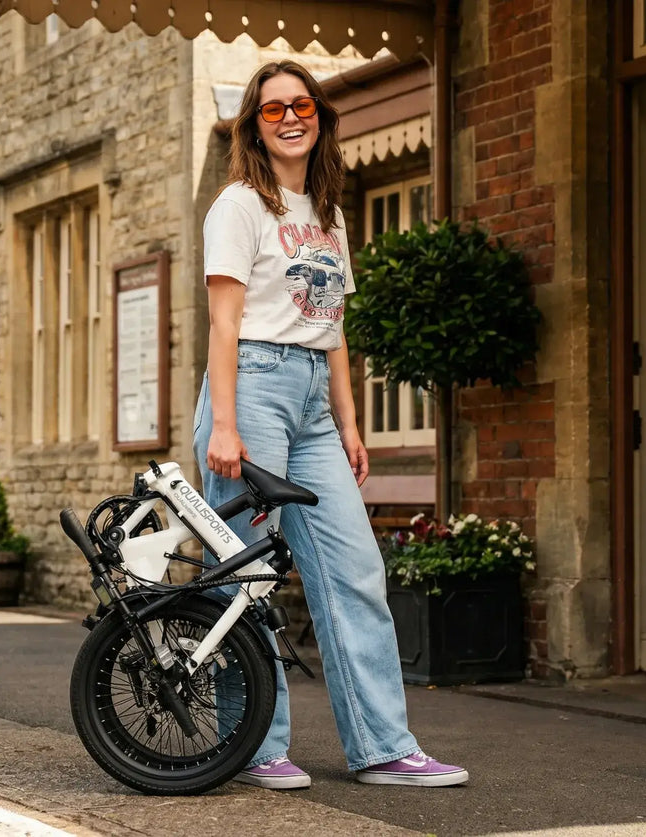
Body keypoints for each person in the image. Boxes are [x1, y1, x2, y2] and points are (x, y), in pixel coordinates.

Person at [193, 60, 469, 790]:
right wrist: (224, 422)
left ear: (321, 117)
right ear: (254, 124)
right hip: (250, 387)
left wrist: (348, 422)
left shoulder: (329, 215)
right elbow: (223, 321)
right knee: (244, 574)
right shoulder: (239, 206)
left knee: (355, 571)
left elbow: (333, 327)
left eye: (303, 105)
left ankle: (383, 744)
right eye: (273, 108)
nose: (291, 117)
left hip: (314, 401)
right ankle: (253, 746)